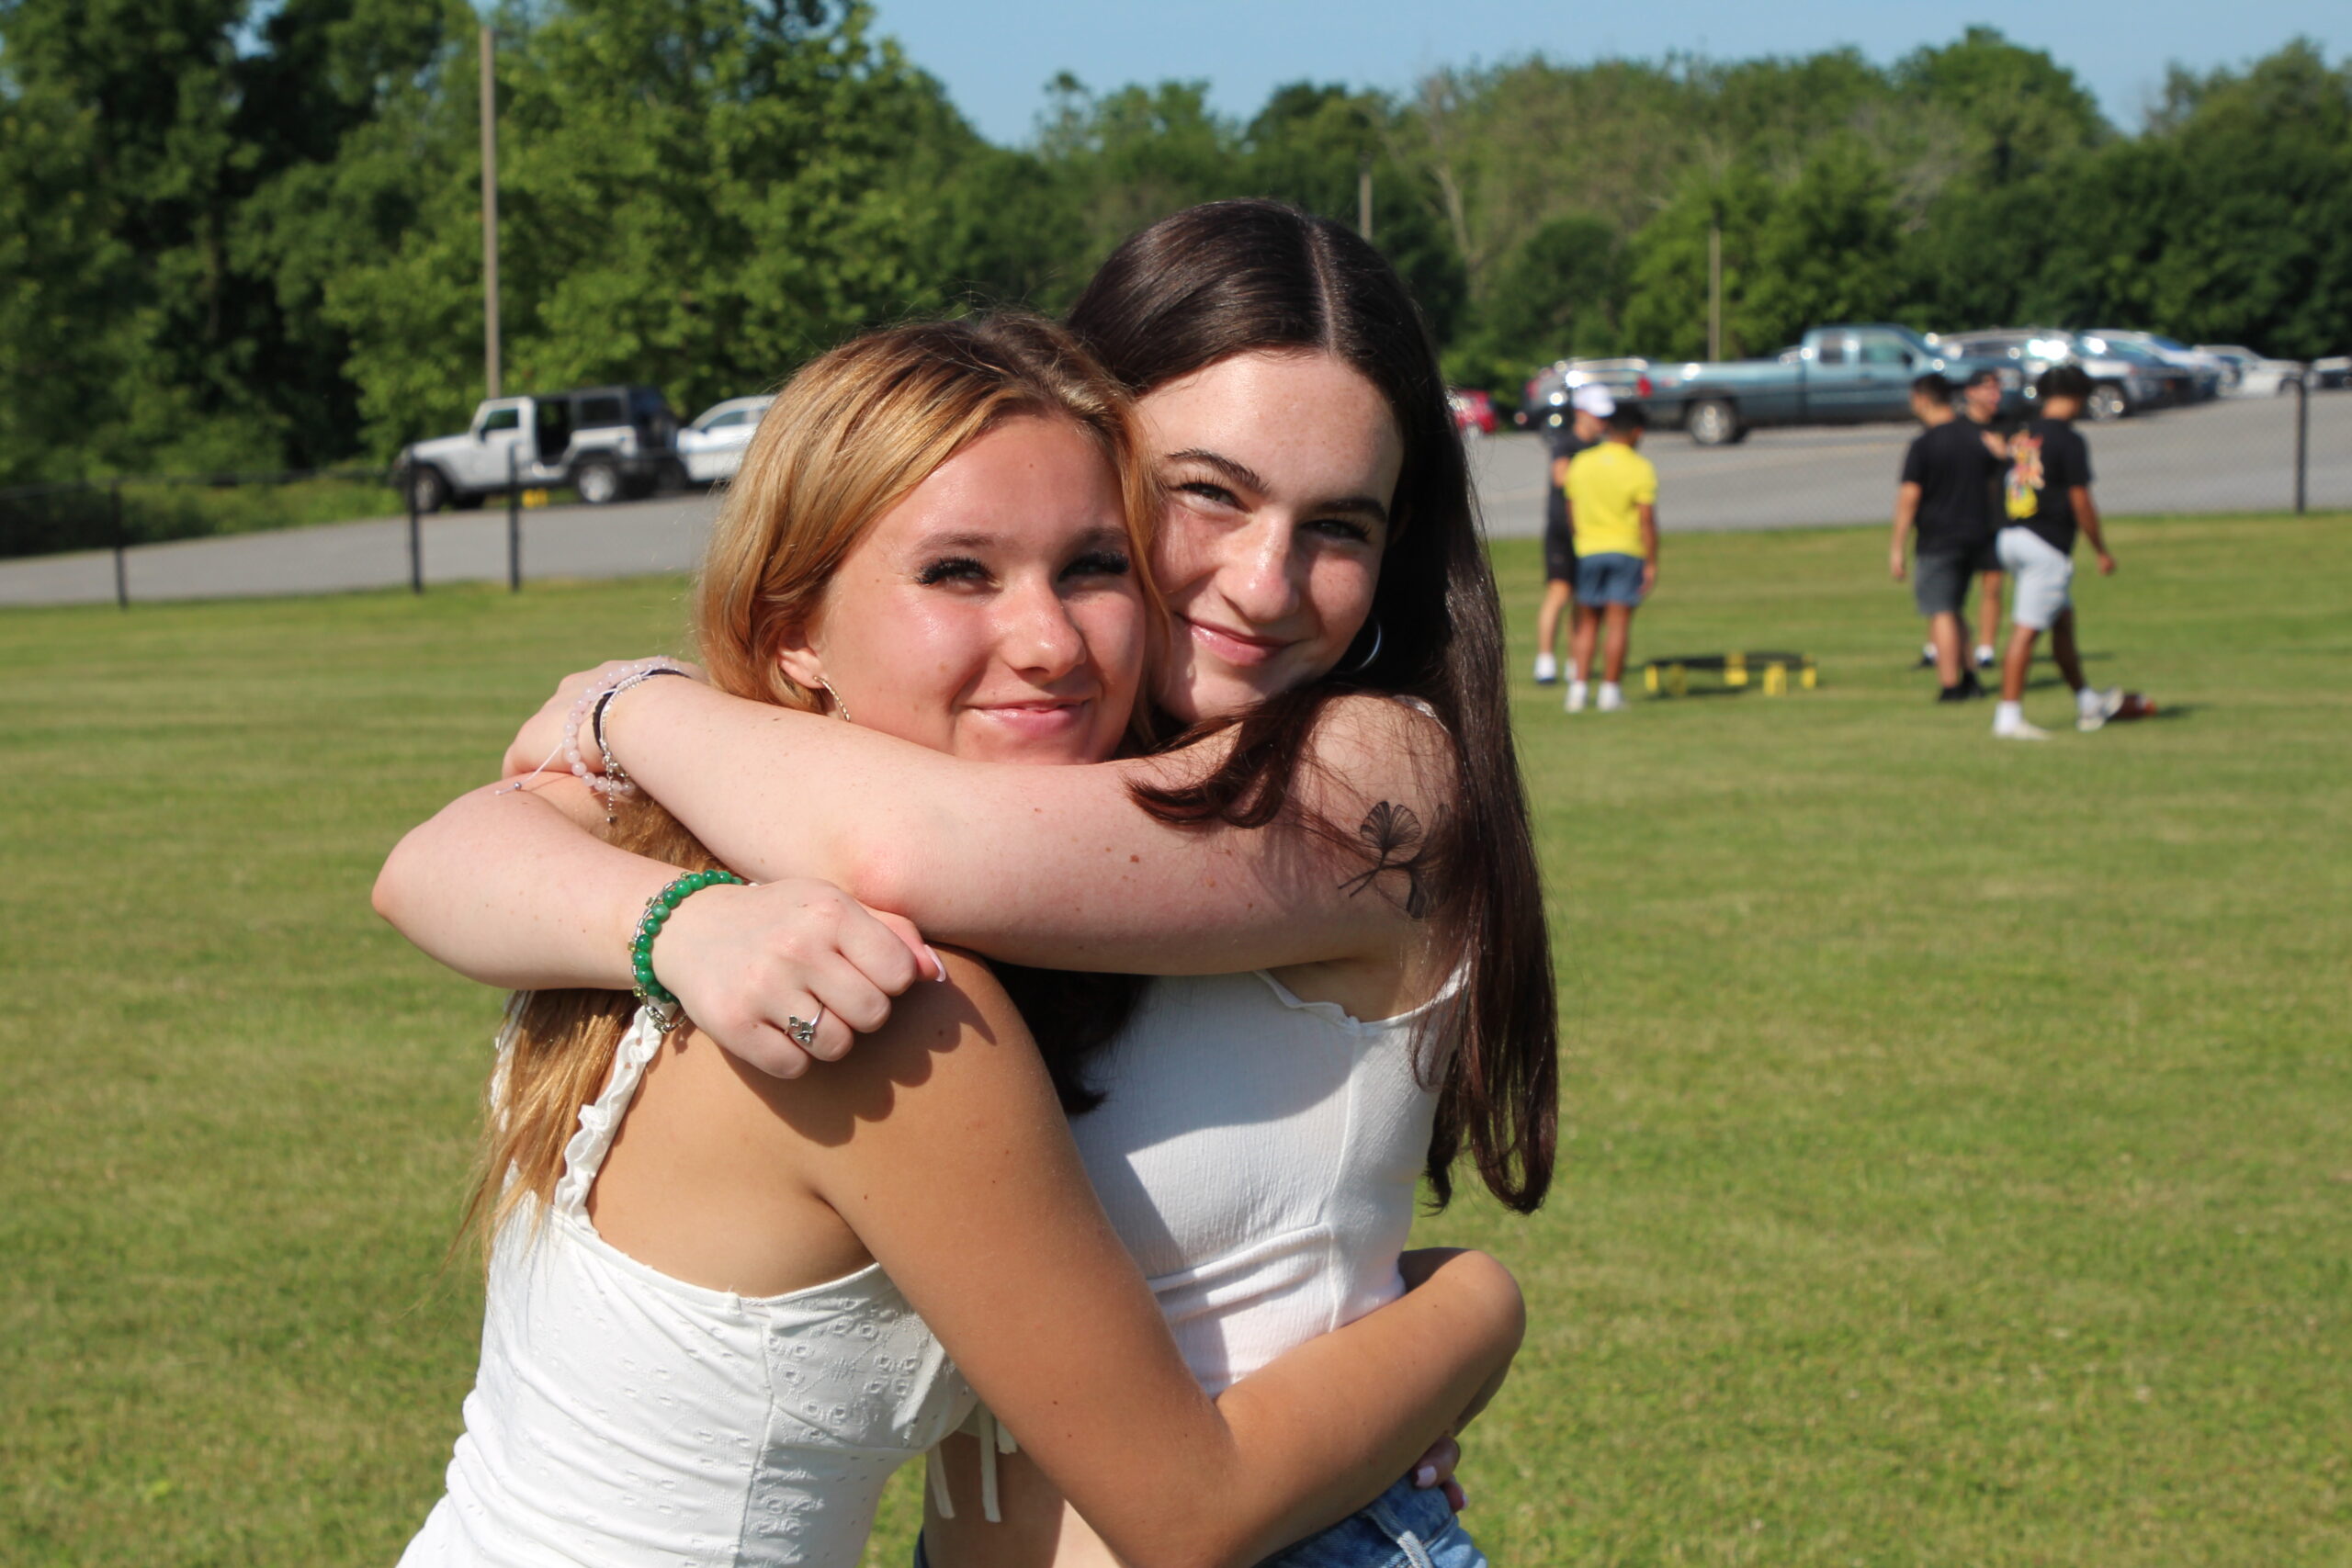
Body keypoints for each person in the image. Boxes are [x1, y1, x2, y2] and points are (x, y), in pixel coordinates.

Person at [375, 201, 1556, 1568]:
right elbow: (434, 856)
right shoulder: (847, 828)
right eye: (1208, 494)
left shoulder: (1366, 770)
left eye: (1338, 525)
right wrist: (679, 921)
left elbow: (916, 844)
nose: (1265, 579)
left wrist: (630, 702)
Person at [1991, 364, 2126, 740]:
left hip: (2011, 534)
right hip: (2045, 542)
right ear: (2078, 396)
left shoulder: (2023, 434)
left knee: (2061, 620)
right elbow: (2080, 499)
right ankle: (2008, 717)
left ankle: (2086, 700)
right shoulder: (2069, 440)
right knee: (2027, 630)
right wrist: (2100, 549)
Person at [1888, 372, 2002, 703]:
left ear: (1922, 399)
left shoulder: (1924, 445)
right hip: (1977, 534)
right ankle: (1971, 678)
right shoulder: (1976, 436)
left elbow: (1909, 497)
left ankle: (1950, 685)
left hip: (1939, 537)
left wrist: (1897, 547)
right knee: (1954, 609)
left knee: (1939, 610)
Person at [1562, 402, 1657, 714]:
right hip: (1626, 549)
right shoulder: (1639, 466)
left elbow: (1571, 508)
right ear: (1637, 432)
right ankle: (1609, 691)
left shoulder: (1583, 462)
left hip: (1588, 548)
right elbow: (1645, 519)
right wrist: (1651, 560)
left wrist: (1581, 539)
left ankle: (1577, 691)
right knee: (1617, 623)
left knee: (1586, 621)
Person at [1532, 383, 1615, 683]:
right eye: (1598, 416)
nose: (1603, 423)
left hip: (1591, 533)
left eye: (1606, 418)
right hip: (1563, 531)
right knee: (1559, 593)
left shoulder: (1602, 449)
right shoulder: (1566, 443)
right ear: (1581, 413)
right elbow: (1561, 476)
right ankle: (1545, 661)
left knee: (1585, 598)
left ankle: (1575, 660)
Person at [1960, 368, 2011, 669]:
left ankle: (1986, 650)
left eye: (1998, 388)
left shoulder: (2007, 425)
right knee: (1954, 586)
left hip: (1995, 516)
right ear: (1971, 392)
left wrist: (2005, 454)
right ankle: (1938, 646)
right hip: (1962, 515)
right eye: (1988, 388)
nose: (1995, 395)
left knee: (1992, 583)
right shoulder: (1959, 429)